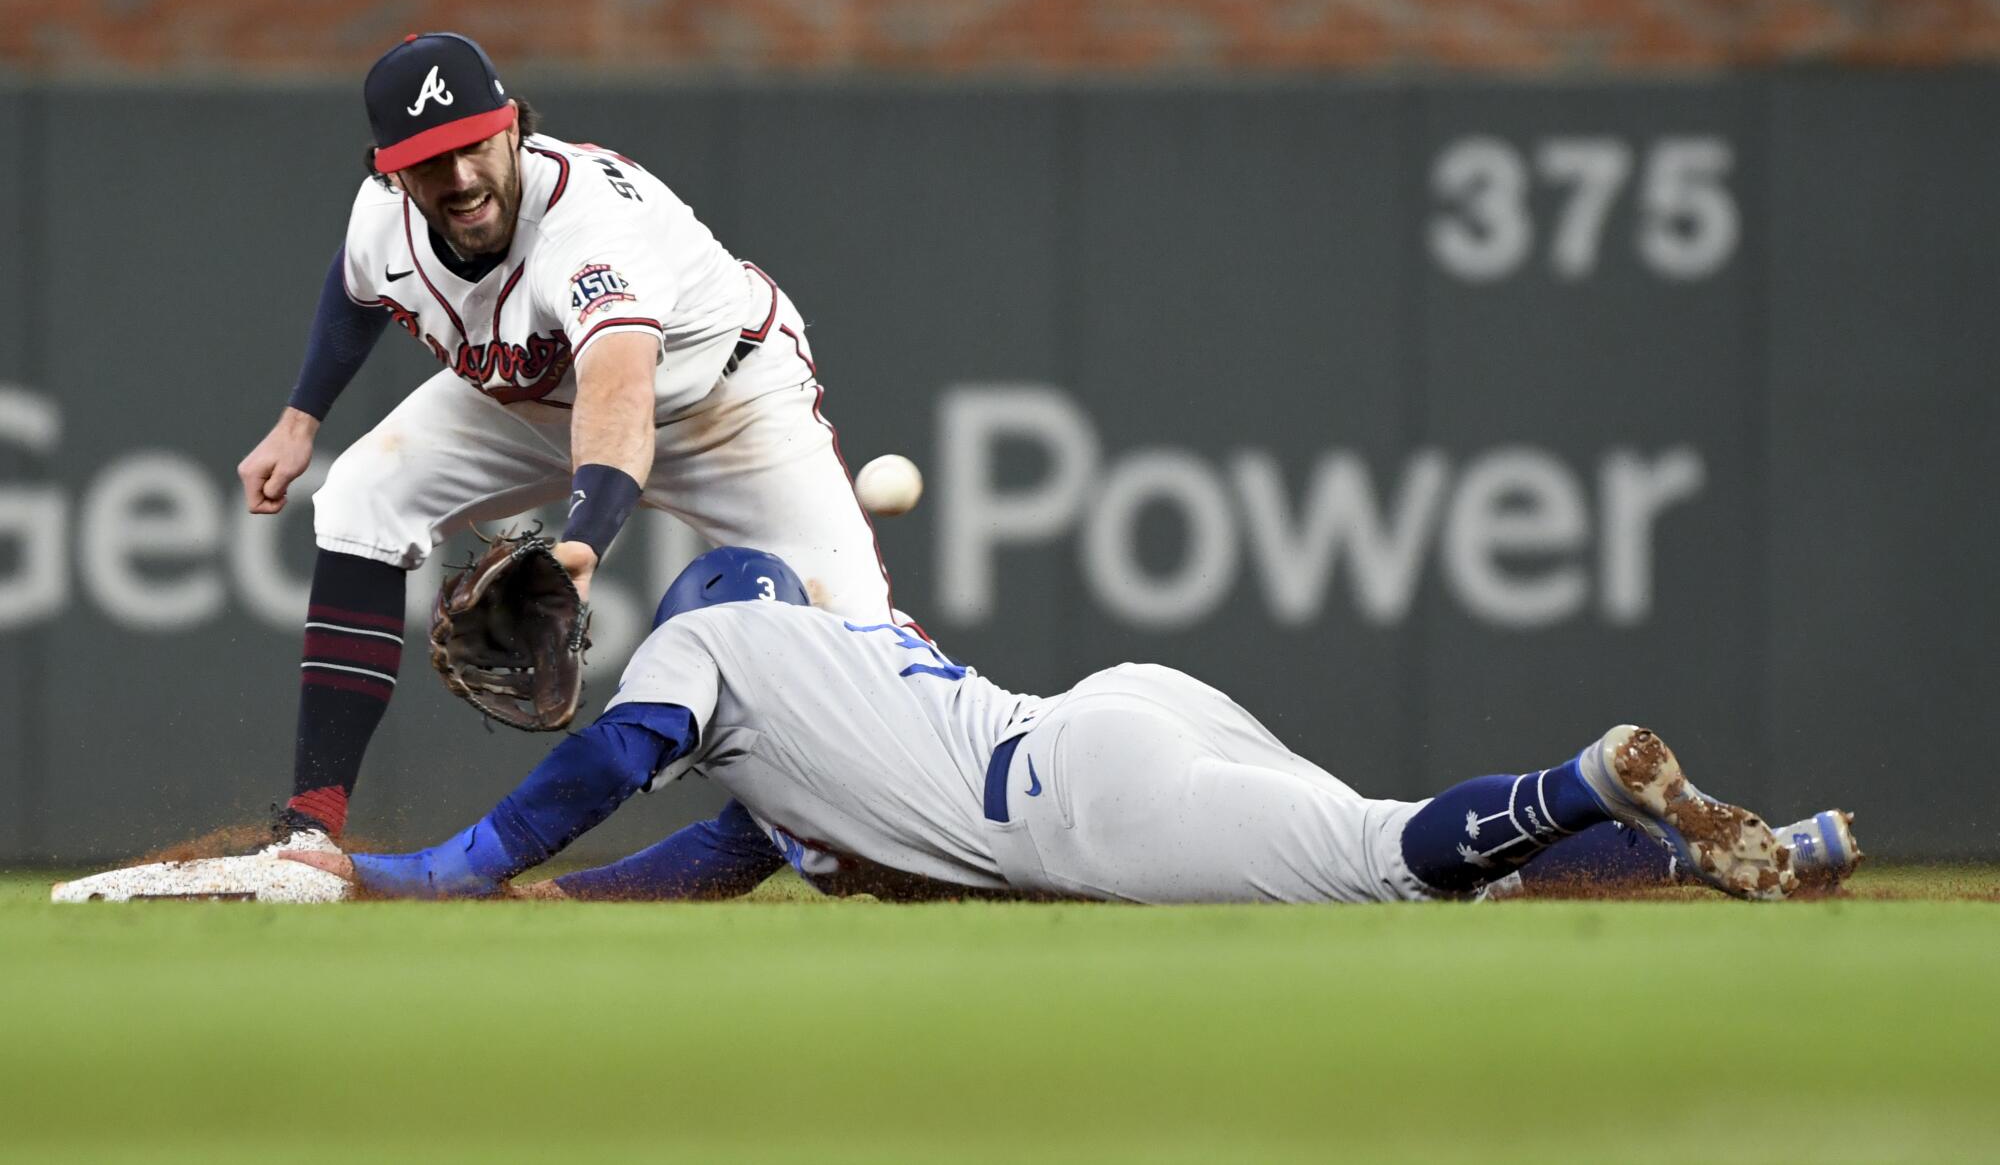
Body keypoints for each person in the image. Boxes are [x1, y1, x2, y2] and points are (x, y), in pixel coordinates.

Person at [285, 549, 1856, 906]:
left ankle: (1590, 773)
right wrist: (559, 906)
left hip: (1090, 807)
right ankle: (1744, 856)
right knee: (1414, 888)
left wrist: (460, 867)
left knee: (1389, 864)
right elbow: (713, 853)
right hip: (1123, 707)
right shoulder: (831, 675)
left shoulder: (712, 639)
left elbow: (613, 759)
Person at [237, 33, 900, 852]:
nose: (460, 177)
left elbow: (619, 393)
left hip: (724, 401)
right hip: (532, 405)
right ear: (390, 170)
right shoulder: (384, 220)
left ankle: (932, 810)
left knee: (865, 648)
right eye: (429, 160)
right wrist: (300, 421)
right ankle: (309, 829)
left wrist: (581, 549)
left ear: (512, 124)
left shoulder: (589, 228)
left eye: (474, 143)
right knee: (362, 495)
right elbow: (356, 284)